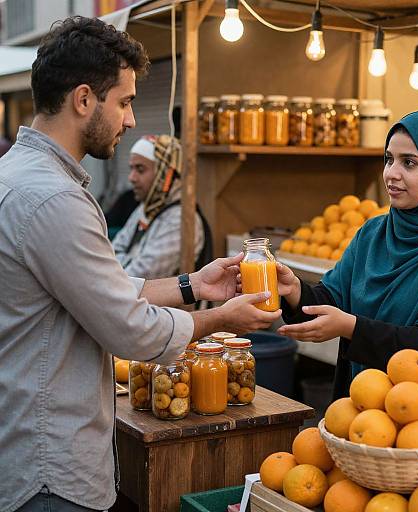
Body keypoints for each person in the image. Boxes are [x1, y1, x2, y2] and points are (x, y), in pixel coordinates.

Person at [0, 17, 281, 512]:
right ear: (84, 100)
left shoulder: (16, 174)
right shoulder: (54, 198)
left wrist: (193, 284)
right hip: (48, 468)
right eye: (125, 101)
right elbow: (128, 328)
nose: (131, 120)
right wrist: (220, 320)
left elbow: (99, 285)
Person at [277, 111, 418, 416]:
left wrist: (350, 326)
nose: (391, 173)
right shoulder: (374, 233)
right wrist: (294, 290)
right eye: (389, 159)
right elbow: (331, 298)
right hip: (365, 408)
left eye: (409, 162)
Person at [112, 134, 211, 279]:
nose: (131, 178)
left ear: (164, 174)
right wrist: (127, 262)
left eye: (140, 169)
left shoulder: (180, 220)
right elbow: (109, 254)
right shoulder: (145, 208)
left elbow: (138, 277)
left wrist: (119, 264)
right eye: (131, 169)